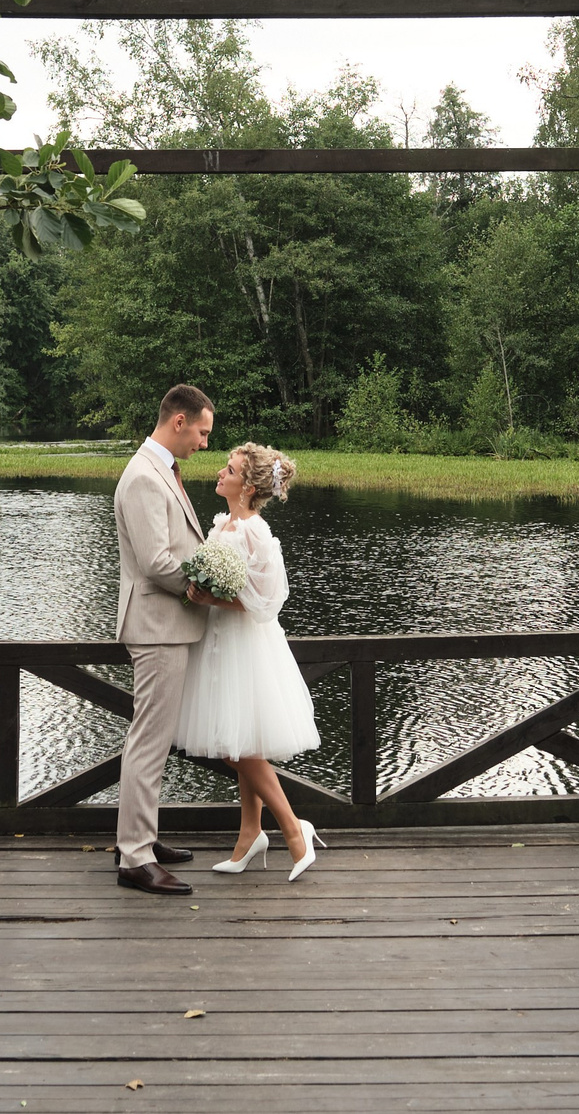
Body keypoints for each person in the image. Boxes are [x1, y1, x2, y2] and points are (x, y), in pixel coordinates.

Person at [176, 442, 326, 880]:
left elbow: (269, 601)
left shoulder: (255, 532)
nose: (220, 473)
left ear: (246, 485)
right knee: (239, 744)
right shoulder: (223, 524)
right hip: (218, 645)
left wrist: (217, 601)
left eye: (230, 469)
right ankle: (249, 834)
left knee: (238, 747)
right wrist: (200, 592)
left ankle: (294, 829)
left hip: (247, 648)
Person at [111, 384, 213, 896]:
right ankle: (134, 856)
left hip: (165, 626)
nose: (204, 443)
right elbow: (156, 562)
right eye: (202, 431)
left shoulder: (161, 471)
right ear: (178, 422)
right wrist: (207, 590)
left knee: (154, 738)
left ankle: (141, 839)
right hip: (157, 626)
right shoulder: (144, 478)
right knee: (148, 740)